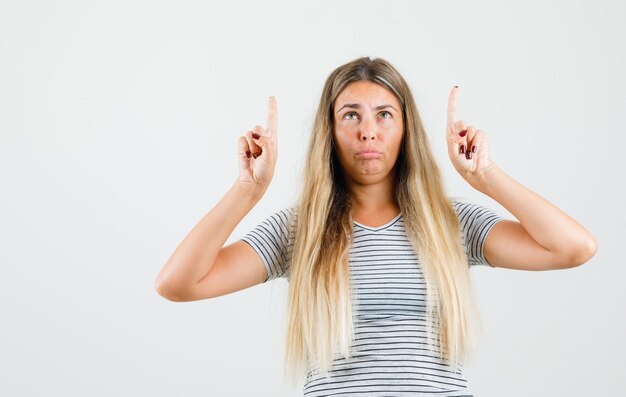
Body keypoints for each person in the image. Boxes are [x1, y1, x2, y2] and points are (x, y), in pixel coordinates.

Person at [154, 56, 598, 396]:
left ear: (405, 129)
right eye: (351, 115)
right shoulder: (299, 230)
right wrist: (248, 190)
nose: (369, 131)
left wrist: (484, 176)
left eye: (385, 114)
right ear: (330, 130)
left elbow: (573, 248)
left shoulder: (451, 223)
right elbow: (177, 283)